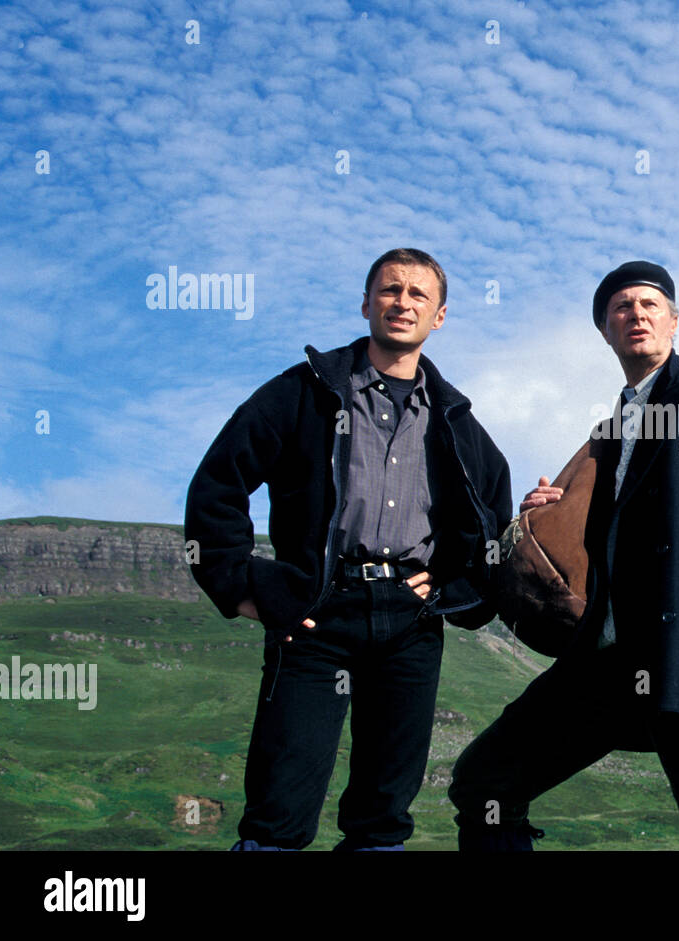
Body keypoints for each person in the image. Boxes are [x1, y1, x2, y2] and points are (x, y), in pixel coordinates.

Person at [448, 260, 679, 850]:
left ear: (673, 322)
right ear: (606, 331)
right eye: (621, 308)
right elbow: (595, 543)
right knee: (484, 785)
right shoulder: (607, 433)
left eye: (649, 305)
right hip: (604, 658)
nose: (636, 314)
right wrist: (546, 512)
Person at [185, 248, 511, 851]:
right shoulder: (303, 392)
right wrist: (240, 587)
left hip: (411, 622)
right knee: (280, 810)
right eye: (390, 290)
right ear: (366, 304)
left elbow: (495, 514)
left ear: (439, 317)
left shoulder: (455, 418)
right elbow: (218, 483)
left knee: (384, 815)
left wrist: (457, 588)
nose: (402, 303)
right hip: (315, 615)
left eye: (419, 295)